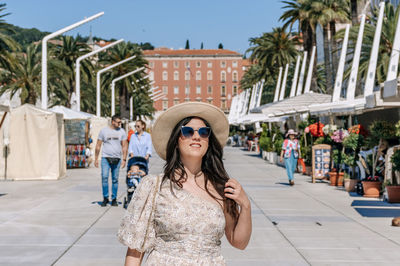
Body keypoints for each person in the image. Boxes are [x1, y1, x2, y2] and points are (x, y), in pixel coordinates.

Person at [118, 102, 252, 265]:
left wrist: (245, 205)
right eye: (188, 131)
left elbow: (239, 242)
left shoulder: (221, 188)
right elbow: (134, 251)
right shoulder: (154, 186)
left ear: (208, 141)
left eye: (204, 132)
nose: (197, 136)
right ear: (176, 140)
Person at [95, 115, 128, 207]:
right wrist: (96, 158)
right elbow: (98, 145)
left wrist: (124, 159)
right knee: (104, 177)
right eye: (118, 122)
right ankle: (105, 198)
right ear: (113, 122)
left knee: (115, 179)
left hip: (117, 158)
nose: (119, 124)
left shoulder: (122, 132)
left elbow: (125, 146)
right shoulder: (104, 131)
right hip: (105, 158)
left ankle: (114, 199)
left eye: (120, 122)